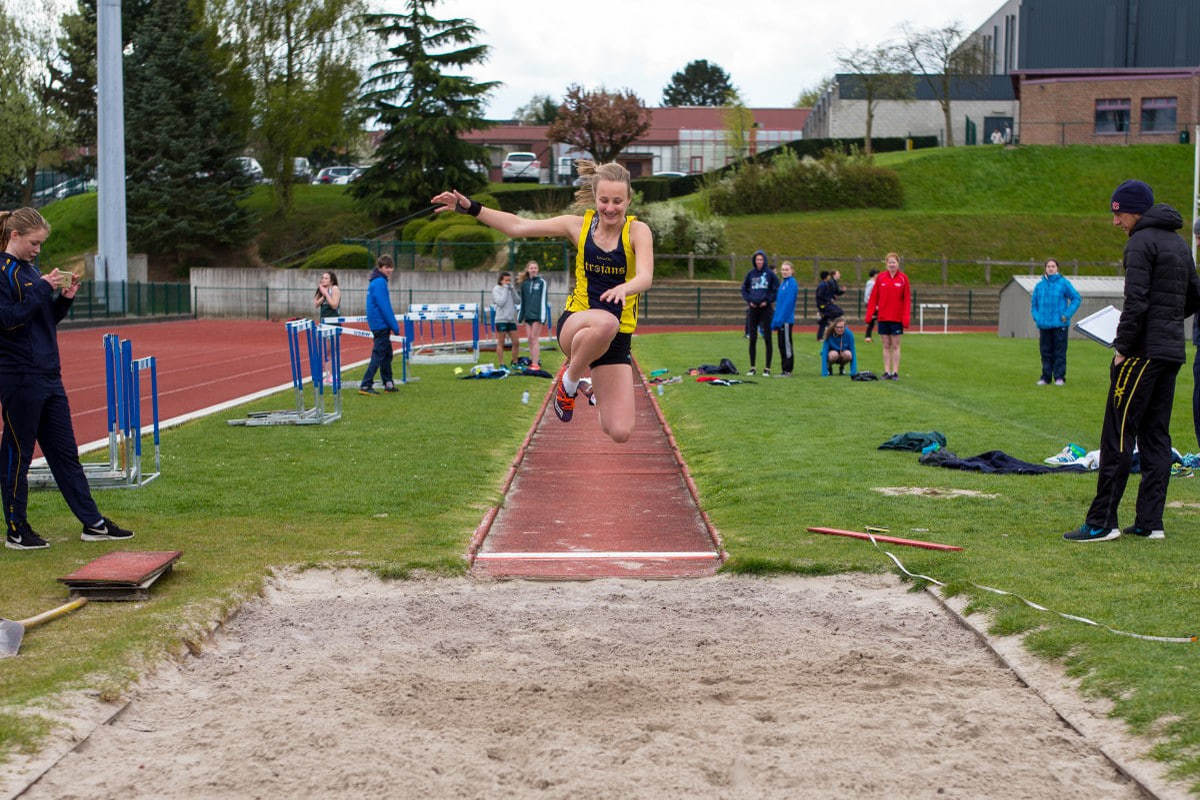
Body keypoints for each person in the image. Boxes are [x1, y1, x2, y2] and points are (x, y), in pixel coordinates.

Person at [432, 160, 653, 443]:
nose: (610, 208)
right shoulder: (578, 227)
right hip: (578, 324)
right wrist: (472, 207)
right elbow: (518, 226)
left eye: (618, 201)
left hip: (617, 335)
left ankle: (587, 385)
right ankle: (569, 381)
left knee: (619, 431)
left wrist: (626, 287)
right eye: (604, 200)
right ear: (595, 198)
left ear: (629, 200)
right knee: (605, 320)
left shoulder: (637, 232)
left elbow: (645, 276)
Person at [1064, 180, 1200, 542]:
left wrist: (1123, 348)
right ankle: (1149, 522)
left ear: (1135, 211)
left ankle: (1102, 522)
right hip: (1171, 353)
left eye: (1118, 213)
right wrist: (1167, 320)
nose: (1115, 222)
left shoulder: (1140, 242)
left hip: (1141, 354)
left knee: (1118, 434)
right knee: (1156, 437)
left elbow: (1136, 301)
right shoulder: (1179, 242)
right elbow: (1194, 297)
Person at [0, 208, 134, 550]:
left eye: (42, 244)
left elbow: (42, 321)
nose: (38, 250)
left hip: (49, 376)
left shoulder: (30, 271)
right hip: (19, 377)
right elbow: (9, 321)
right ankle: (17, 528)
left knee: (65, 454)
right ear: (14, 236)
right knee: (19, 454)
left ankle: (93, 523)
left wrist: (64, 299)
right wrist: (41, 290)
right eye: (34, 243)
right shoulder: (4, 273)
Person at [1030, 258, 1081, 386]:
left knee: (1059, 352)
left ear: (1057, 268)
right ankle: (1046, 377)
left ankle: (1059, 377)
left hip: (1060, 324)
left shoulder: (1063, 283)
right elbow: (1034, 305)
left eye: (1053, 266)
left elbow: (1076, 298)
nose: (1050, 268)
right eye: (1048, 266)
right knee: (1045, 352)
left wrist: (1067, 314)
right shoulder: (1039, 286)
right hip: (1044, 325)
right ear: (1045, 268)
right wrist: (1037, 317)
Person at [865, 252, 911, 380]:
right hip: (883, 317)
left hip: (896, 318)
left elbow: (907, 299)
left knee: (895, 345)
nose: (892, 264)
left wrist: (905, 318)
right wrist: (869, 315)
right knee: (886, 345)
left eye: (894, 262)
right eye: (889, 262)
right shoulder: (880, 278)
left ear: (898, 263)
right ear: (886, 264)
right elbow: (874, 297)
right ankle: (887, 371)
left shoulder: (903, 278)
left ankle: (895, 372)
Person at [359, 255, 400, 395]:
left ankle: (388, 383)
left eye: (391, 267)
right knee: (378, 355)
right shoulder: (380, 282)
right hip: (380, 325)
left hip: (378, 324)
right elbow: (385, 307)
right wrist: (394, 326)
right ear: (380, 267)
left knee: (387, 354)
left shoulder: (376, 282)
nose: (390, 270)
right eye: (387, 267)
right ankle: (366, 384)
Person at [740, 250, 778, 376]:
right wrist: (749, 300)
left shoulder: (770, 274)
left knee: (767, 337)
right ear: (754, 261)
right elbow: (744, 289)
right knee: (753, 338)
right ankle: (752, 367)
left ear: (765, 260)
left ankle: (767, 368)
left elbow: (775, 290)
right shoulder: (750, 274)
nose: (759, 262)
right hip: (753, 309)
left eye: (761, 259)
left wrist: (767, 301)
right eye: (757, 259)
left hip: (765, 309)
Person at [518, 260, 548, 369]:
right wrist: (520, 316)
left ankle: (535, 364)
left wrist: (542, 317)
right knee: (529, 339)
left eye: (535, 268)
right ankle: (533, 361)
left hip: (537, 316)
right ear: (528, 269)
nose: (533, 270)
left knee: (534, 338)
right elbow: (523, 301)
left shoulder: (542, 283)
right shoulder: (524, 284)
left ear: (538, 269)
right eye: (531, 268)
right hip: (528, 316)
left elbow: (544, 300)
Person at [313, 270, 341, 384]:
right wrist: (323, 293)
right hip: (323, 324)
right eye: (322, 278)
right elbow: (315, 304)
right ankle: (328, 375)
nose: (323, 280)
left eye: (326, 278)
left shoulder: (335, 289)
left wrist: (326, 293)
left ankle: (333, 375)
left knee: (332, 351)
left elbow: (334, 305)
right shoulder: (322, 291)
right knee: (325, 352)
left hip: (333, 324)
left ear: (332, 280)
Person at [770, 261, 797, 376]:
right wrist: (775, 320)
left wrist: (781, 319)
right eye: (783, 269)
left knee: (786, 345)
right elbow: (779, 304)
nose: (784, 271)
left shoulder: (792, 283)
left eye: (787, 269)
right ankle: (783, 369)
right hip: (780, 320)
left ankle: (787, 370)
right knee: (781, 345)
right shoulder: (783, 284)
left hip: (786, 320)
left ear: (792, 271)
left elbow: (788, 304)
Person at [492, 270, 519, 365]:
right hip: (501, 320)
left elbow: (518, 301)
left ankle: (515, 362)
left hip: (511, 320)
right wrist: (505, 290)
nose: (508, 282)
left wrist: (513, 290)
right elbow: (500, 302)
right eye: (506, 280)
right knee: (501, 342)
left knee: (516, 342)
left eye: (509, 280)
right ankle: (501, 364)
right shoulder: (496, 289)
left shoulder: (510, 289)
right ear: (501, 280)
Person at [815, 268, 844, 340]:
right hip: (824, 305)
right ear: (826, 277)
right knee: (839, 312)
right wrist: (829, 300)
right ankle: (827, 320)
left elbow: (827, 294)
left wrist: (832, 297)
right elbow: (820, 295)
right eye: (828, 276)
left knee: (823, 321)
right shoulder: (823, 285)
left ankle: (820, 337)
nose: (829, 277)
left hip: (826, 304)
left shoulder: (825, 284)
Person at [863, 269, 879, 342]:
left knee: (873, 320)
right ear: (874, 275)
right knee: (872, 320)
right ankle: (867, 336)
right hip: (872, 304)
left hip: (874, 304)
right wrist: (871, 304)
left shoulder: (875, 282)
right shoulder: (871, 283)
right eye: (877, 274)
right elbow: (867, 294)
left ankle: (868, 336)